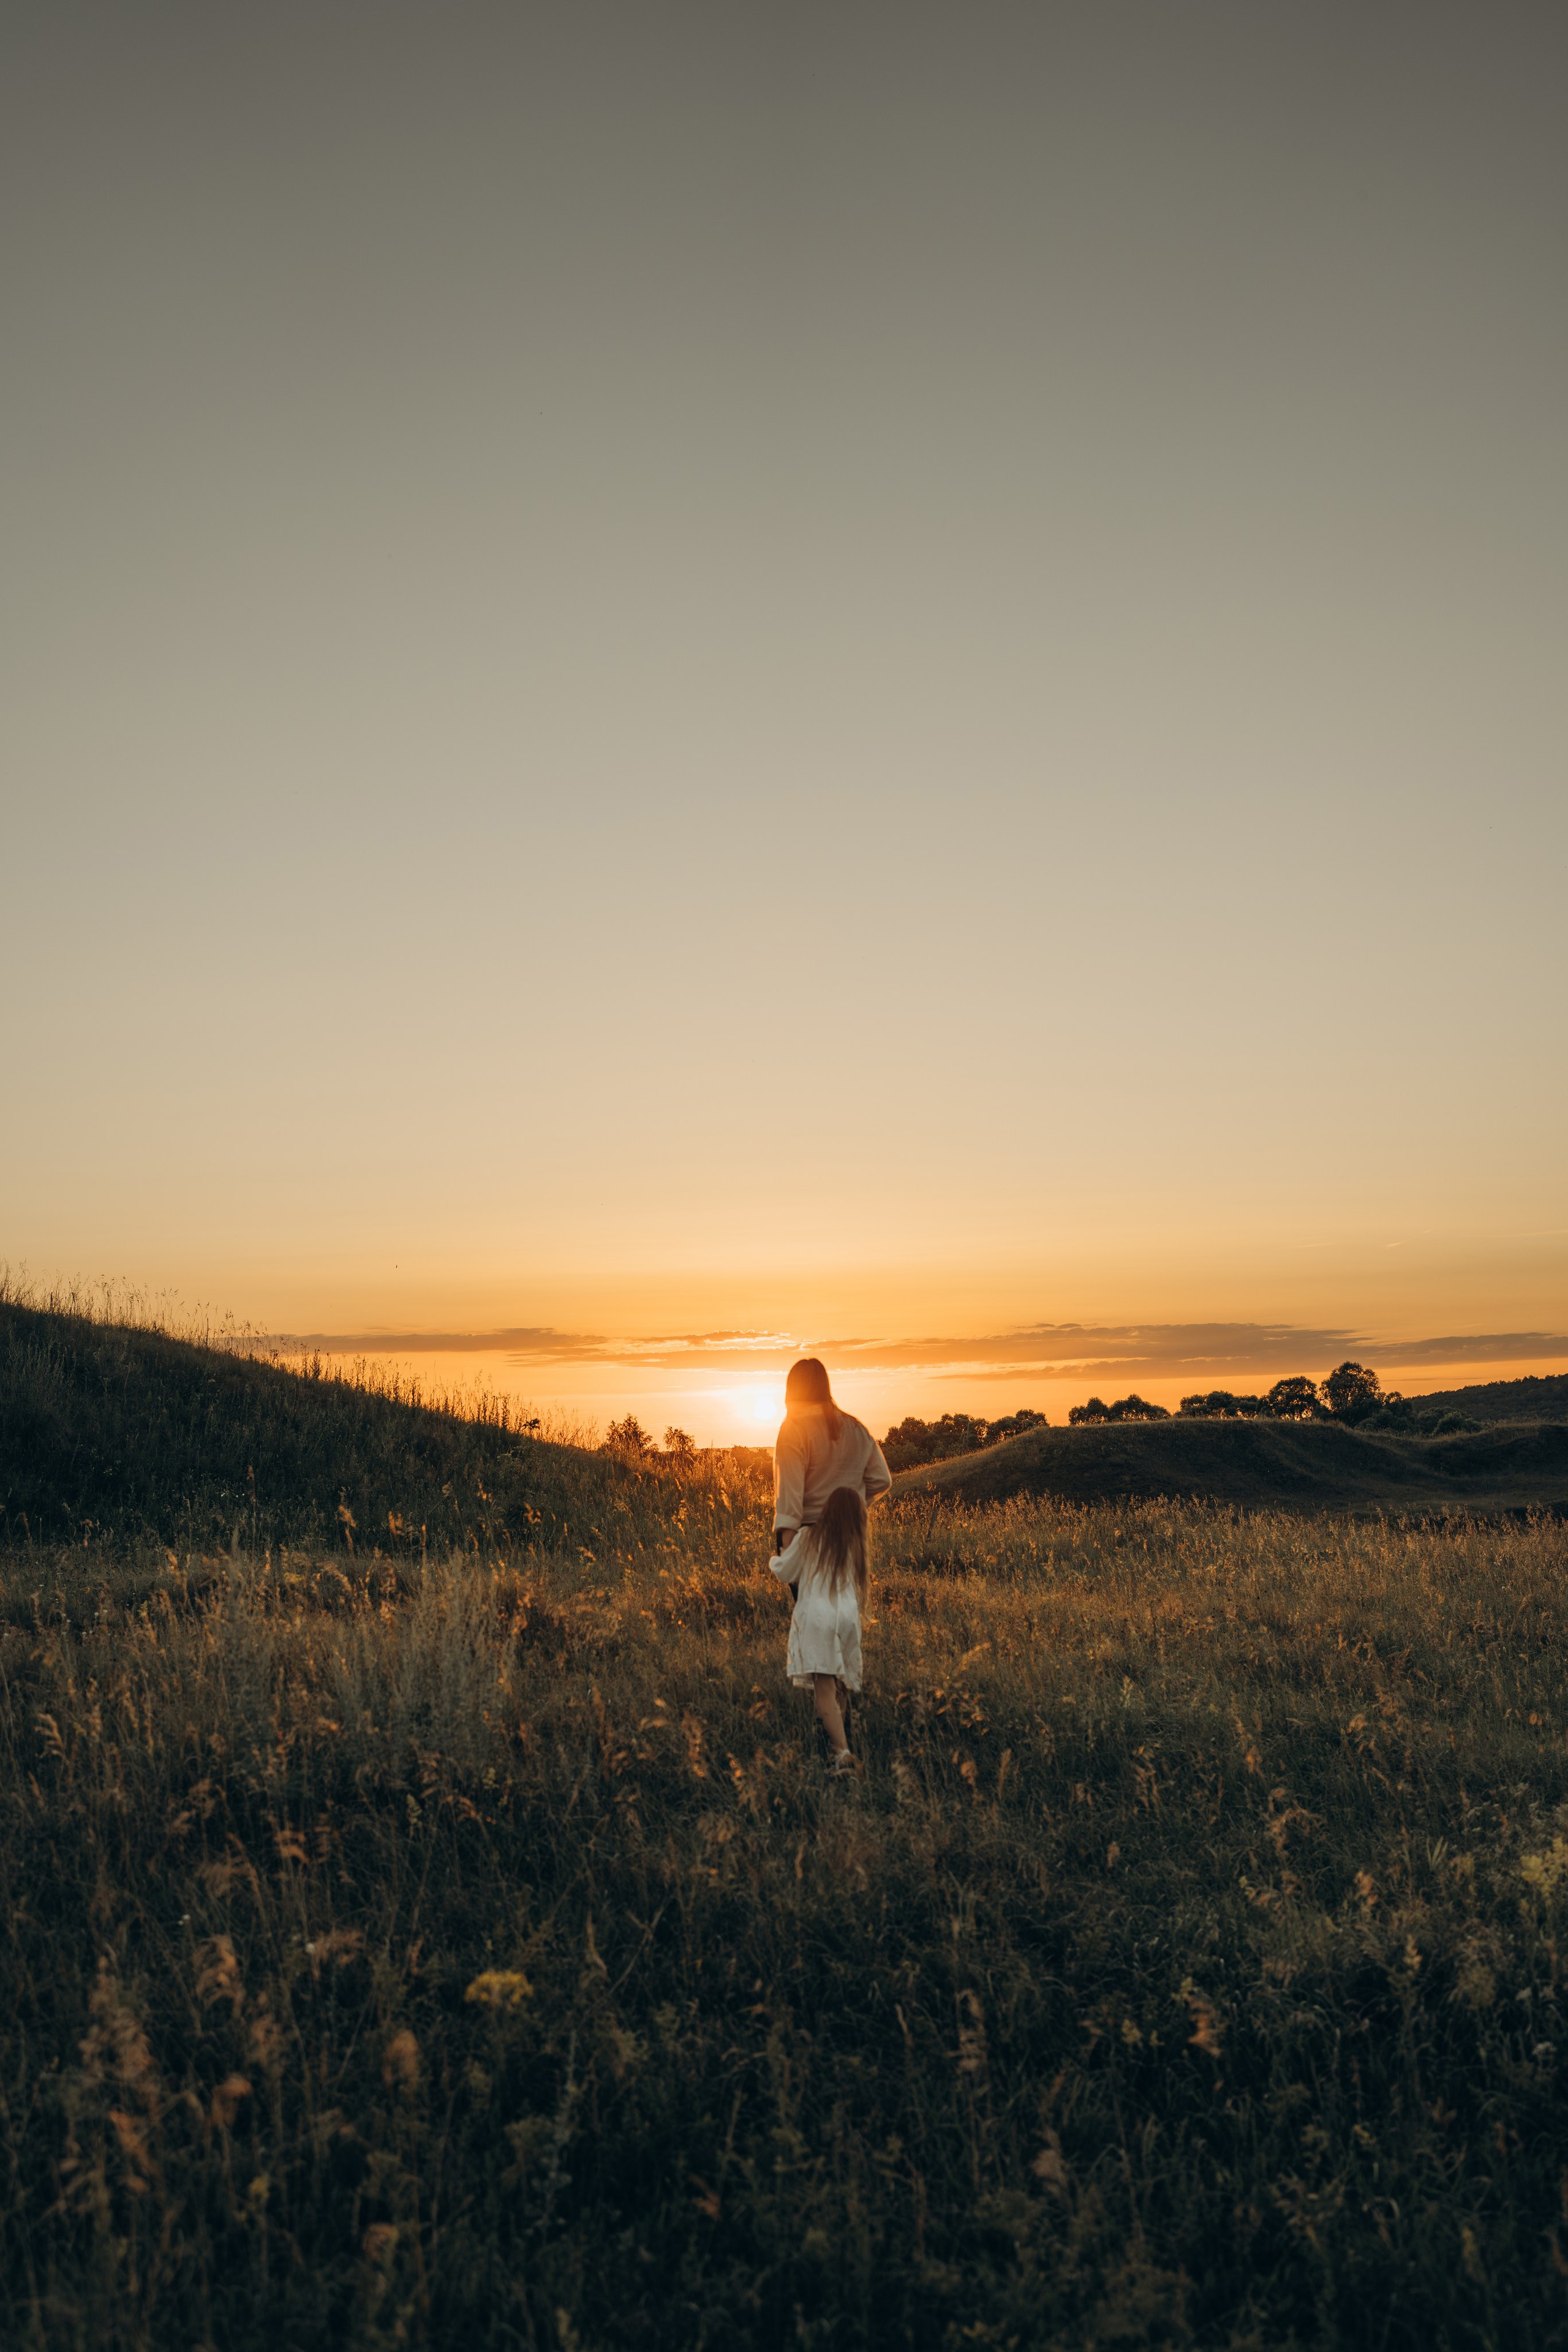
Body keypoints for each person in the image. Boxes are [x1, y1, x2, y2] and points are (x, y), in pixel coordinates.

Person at [771, 1357, 891, 1767]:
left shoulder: (794, 1428)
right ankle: (836, 1732)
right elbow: (881, 1480)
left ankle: (834, 1748)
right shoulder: (856, 1428)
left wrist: (787, 1554)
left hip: (809, 1542)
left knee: (817, 1640)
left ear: (792, 1390)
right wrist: (851, 1511)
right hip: (849, 1545)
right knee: (838, 1634)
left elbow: (789, 1503)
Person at [771, 1486, 870, 1776]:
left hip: (819, 1616)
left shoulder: (809, 1537)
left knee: (824, 1688)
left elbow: (786, 1572)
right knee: (840, 1682)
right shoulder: (855, 1545)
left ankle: (842, 1755)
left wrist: (779, 1555)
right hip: (847, 1617)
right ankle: (837, 1741)